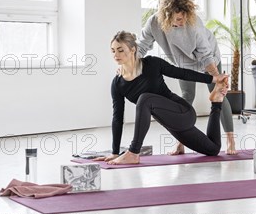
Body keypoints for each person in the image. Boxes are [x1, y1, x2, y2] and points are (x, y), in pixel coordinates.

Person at [96, 31, 229, 165]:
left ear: (132, 50)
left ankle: (133, 152)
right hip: (171, 123)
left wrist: (213, 79)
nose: (116, 55)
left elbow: (181, 73)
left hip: (183, 112)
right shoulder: (117, 84)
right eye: (113, 51)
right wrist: (114, 152)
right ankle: (216, 102)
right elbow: (117, 118)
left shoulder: (152, 63)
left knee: (144, 98)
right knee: (213, 149)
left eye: (120, 50)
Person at [137, 0, 237, 155]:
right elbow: (141, 46)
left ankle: (230, 140)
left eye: (184, 16)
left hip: (209, 58)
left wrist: (217, 77)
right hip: (183, 63)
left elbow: (205, 55)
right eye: (178, 19)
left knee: (219, 93)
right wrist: (128, 63)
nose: (182, 21)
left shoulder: (193, 23)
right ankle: (181, 142)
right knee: (186, 96)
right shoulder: (154, 23)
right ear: (167, 16)